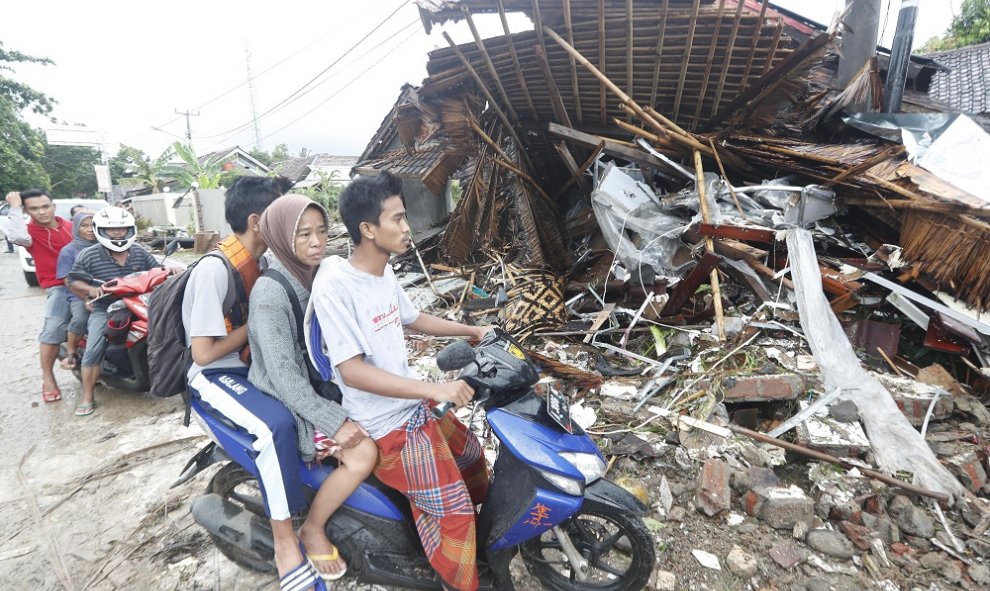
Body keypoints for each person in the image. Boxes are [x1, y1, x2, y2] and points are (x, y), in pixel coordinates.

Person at [312, 172, 491, 591]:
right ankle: (457, 580)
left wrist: (470, 330)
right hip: (384, 423)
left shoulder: (382, 271)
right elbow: (351, 370)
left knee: (472, 458)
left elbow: (413, 318)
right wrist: (435, 389)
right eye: (398, 219)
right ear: (368, 229)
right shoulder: (336, 287)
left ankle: (479, 547)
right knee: (455, 514)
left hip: (411, 405)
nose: (407, 228)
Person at [249, 194, 378, 588]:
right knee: (363, 452)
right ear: (279, 237)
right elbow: (285, 378)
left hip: (321, 381)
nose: (316, 242)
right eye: (303, 234)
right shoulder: (270, 294)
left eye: (321, 231)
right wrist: (333, 421)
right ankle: (313, 529)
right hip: (288, 394)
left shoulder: (316, 272)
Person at [68, 206, 161, 416]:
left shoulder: (138, 251)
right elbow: (72, 280)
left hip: (138, 302)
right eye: (112, 230)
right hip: (105, 308)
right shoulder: (89, 255)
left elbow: (156, 270)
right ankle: (87, 396)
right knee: (94, 348)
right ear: (101, 230)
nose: (118, 233)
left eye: (123, 229)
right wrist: (91, 290)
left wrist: (171, 270)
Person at [4, 190, 74, 402]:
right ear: (26, 211)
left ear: (53, 205)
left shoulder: (71, 227)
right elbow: (15, 236)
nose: (42, 212)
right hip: (59, 287)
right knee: (53, 329)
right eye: (34, 209)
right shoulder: (28, 233)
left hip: (87, 282)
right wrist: (14, 207)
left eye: (45, 206)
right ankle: (48, 378)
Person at [55, 211, 98, 369]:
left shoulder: (107, 245)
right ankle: (71, 352)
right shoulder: (69, 250)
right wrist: (85, 297)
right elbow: (67, 280)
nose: (90, 229)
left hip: (106, 291)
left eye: (93, 225)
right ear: (76, 228)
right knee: (80, 317)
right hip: (78, 295)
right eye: (84, 226)